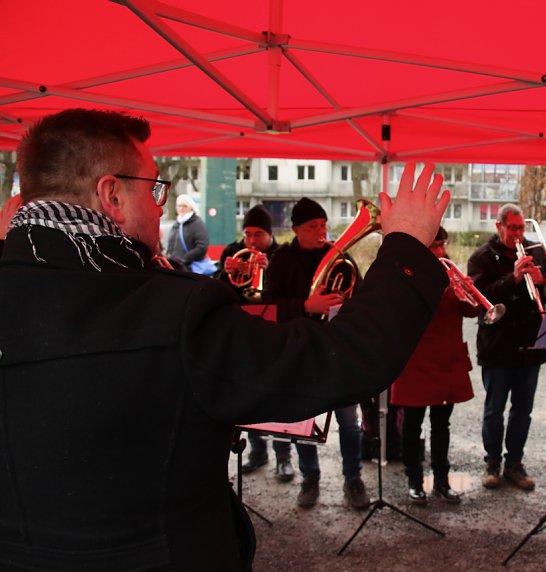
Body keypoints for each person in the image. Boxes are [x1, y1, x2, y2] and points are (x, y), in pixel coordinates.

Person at [0, 108, 450, 571]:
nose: (161, 205)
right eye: (155, 188)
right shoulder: (173, 310)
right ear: (111, 193)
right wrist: (407, 248)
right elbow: (340, 363)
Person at [263, 197, 370, 510]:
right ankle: (310, 478)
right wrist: (305, 307)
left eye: (323, 225)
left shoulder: (340, 257)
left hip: (337, 350)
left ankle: (354, 478)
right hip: (301, 349)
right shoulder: (281, 260)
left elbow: (359, 298)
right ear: (296, 229)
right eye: (313, 226)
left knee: (349, 422)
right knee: (305, 421)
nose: (321, 231)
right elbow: (270, 306)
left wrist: (347, 307)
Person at [390, 227, 479, 505]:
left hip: (446, 360)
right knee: (412, 426)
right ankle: (414, 481)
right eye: (435, 246)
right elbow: (401, 313)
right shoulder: (406, 275)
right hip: (416, 361)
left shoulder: (451, 274)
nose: (440, 251)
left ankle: (442, 480)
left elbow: (473, 310)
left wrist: (468, 289)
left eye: (442, 245)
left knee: (442, 425)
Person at [467, 204, 546, 491]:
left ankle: (515, 463)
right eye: (511, 228)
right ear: (499, 226)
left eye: (521, 228)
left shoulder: (536, 252)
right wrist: (513, 278)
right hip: (498, 346)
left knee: (522, 411)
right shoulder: (482, 258)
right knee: (494, 409)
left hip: (530, 344)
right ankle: (492, 463)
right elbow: (480, 299)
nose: (517, 234)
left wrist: (543, 283)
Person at [215, 205, 295, 482]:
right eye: (247, 234)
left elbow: (285, 294)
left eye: (257, 235)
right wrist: (225, 274)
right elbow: (219, 291)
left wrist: (268, 270)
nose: (250, 241)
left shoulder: (282, 255)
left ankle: (283, 456)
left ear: (269, 235)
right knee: (250, 394)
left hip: (274, 330)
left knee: (277, 393)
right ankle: (257, 451)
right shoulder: (232, 252)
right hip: (243, 330)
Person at [165, 193, 212, 274]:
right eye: (179, 206)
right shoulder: (177, 223)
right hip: (174, 267)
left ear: (190, 207)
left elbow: (202, 246)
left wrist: (184, 258)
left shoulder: (197, 223)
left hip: (188, 269)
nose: (181, 208)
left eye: (184, 206)